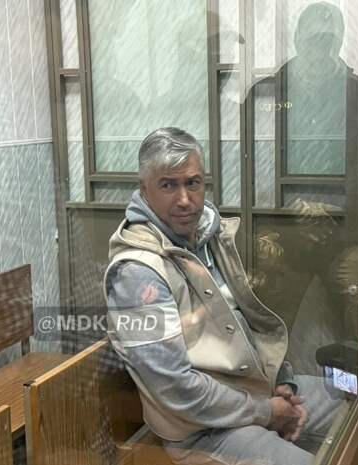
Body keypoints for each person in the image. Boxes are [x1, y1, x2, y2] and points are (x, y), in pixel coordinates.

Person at [103, 127, 314, 465]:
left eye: (193, 183)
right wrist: (267, 412)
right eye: (168, 185)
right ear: (144, 190)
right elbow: (175, 389)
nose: (185, 200)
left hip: (255, 392)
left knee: (354, 403)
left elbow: (243, 322)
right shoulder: (137, 273)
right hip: (203, 432)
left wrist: (282, 380)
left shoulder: (206, 236)